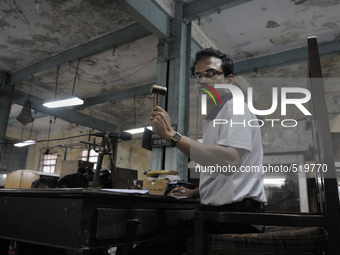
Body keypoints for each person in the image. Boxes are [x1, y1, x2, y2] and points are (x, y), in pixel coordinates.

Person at [129, 47, 267, 255]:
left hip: (236, 219)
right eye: (198, 75)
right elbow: (221, 171)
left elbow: (228, 162)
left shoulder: (235, 109)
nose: (203, 80)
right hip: (216, 214)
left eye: (211, 73)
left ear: (229, 80)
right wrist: (196, 191)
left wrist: (172, 136)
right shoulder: (213, 118)